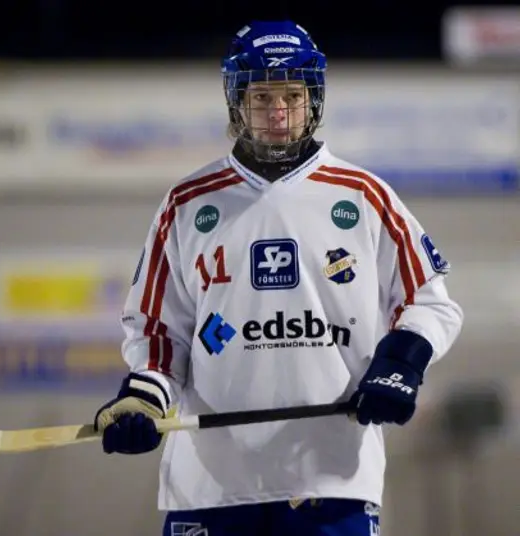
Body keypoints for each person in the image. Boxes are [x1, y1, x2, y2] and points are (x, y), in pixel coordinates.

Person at [93, 20, 464, 536]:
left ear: (313, 99)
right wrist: (143, 399)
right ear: (236, 101)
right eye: (262, 95)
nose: (278, 112)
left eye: (292, 94)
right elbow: (158, 331)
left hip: (331, 478)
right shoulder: (187, 203)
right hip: (211, 484)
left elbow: (429, 301)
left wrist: (399, 365)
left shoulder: (364, 196)